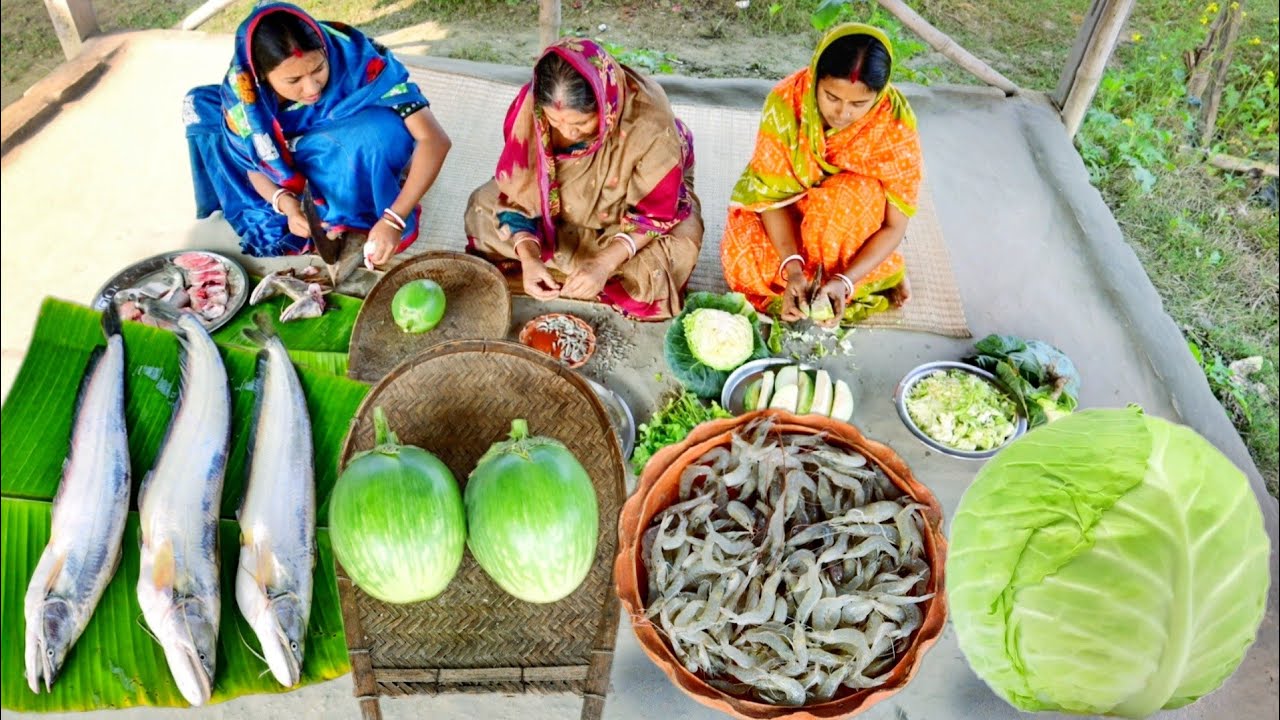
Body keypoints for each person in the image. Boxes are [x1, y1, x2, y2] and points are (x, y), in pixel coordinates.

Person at [183, 2, 451, 266]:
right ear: (261, 76)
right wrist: (286, 204)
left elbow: (435, 140)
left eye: (319, 69)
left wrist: (394, 217)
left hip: (343, 142)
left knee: (372, 136)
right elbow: (255, 164)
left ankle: (358, 196)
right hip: (294, 156)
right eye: (293, 81)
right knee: (201, 106)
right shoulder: (245, 101)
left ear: (325, 47)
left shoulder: (356, 59)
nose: (312, 88)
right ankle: (329, 198)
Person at [464, 38, 703, 321]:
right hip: (561, 203)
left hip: (632, 207)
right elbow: (518, 191)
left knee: (680, 247)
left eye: (580, 124)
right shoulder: (532, 110)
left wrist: (603, 263)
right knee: (483, 207)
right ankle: (562, 267)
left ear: (606, 108)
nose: (569, 133)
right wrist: (529, 257)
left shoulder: (649, 126)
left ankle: (587, 269)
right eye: (555, 122)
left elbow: (657, 213)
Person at [720, 23, 922, 327]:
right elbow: (770, 199)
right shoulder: (786, 102)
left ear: (879, 96)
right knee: (743, 259)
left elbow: (894, 226)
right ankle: (839, 280)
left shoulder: (894, 125)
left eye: (858, 104)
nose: (842, 113)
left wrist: (846, 280)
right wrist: (794, 271)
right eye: (831, 97)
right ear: (815, 77)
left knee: (843, 199)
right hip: (790, 212)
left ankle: (850, 281)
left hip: (847, 225)